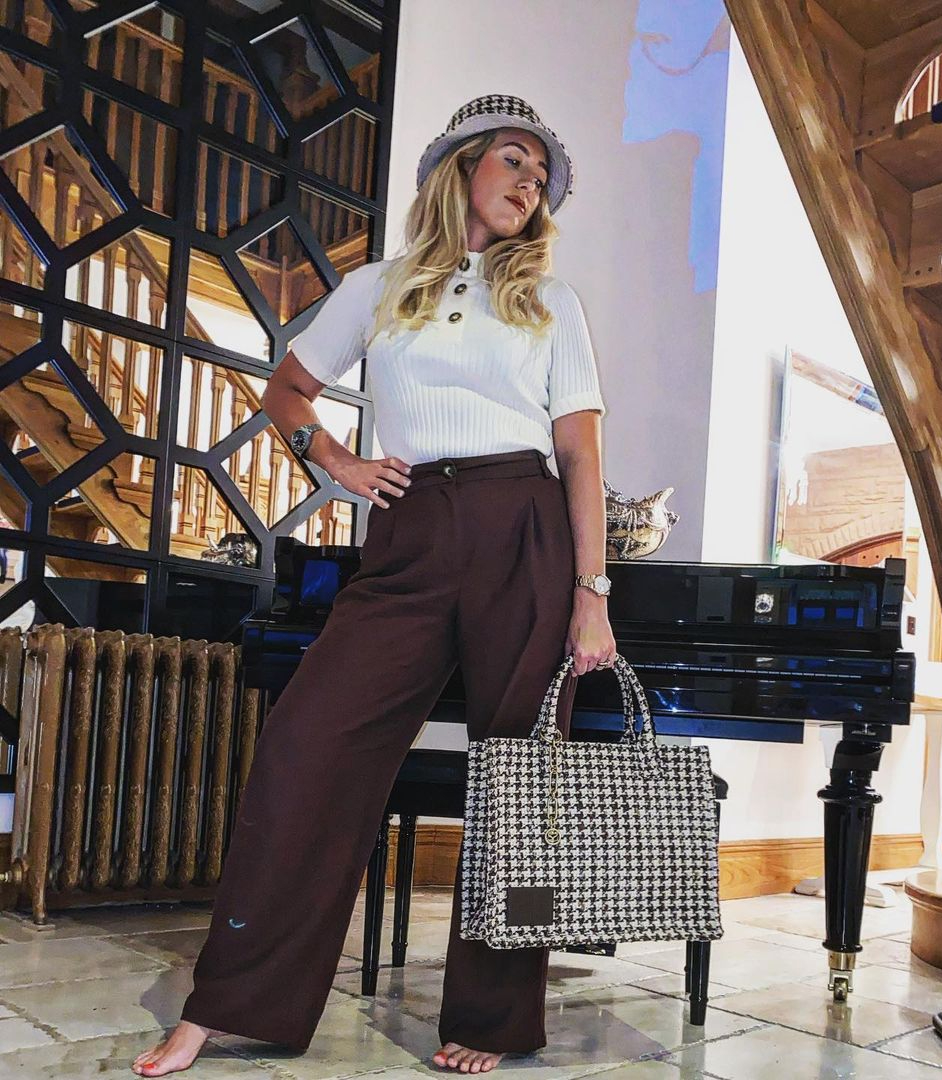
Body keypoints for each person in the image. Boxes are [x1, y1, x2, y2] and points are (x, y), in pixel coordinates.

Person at [132, 93, 616, 1077]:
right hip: (408, 533)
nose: (528, 184)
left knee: (519, 784)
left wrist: (592, 589)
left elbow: (579, 448)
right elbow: (287, 387)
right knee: (307, 745)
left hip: (524, 525)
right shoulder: (379, 287)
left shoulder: (552, 303)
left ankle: (491, 1017)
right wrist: (336, 462)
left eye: (540, 177)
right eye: (512, 163)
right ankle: (231, 999)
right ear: (461, 169)